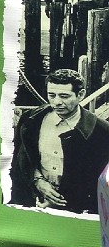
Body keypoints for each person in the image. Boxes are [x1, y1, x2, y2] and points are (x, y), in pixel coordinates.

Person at [10, 68, 109, 214]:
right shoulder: (30, 120)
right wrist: (37, 180)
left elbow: (98, 182)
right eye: (52, 95)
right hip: (32, 204)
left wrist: (57, 201)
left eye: (64, 96)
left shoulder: (102, 132)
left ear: (81, 95)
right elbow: (21, 160)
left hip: (75, 212)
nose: (56, 102)